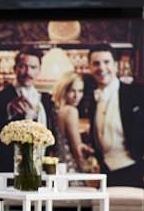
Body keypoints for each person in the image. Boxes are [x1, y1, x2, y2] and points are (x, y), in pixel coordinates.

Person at [83, 44, 143, 186]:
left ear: (115, 65)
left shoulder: (136, 93)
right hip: (105, 171)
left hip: (135, 169)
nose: (102, 68)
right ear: (90, 68)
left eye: (106, 62)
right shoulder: (90, 98)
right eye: (96, 63)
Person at [0, 47, 56, 172]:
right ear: (15, 68)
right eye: (23, 66)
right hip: (8, 167)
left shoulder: (46, 100)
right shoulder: (0, 98)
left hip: (38, 167)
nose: (28, 72)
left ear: (39, 70)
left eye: (33, 67)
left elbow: (52, 135)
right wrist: (9, 110)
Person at [50, 72, 87, 172]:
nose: (77, 96)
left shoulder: (55, 110)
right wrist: (84, 169)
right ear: (63, 91)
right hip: (70, 166)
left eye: (80, 91)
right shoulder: (71, 111)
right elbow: (77, 150)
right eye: (72, 91)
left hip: (57, 166)